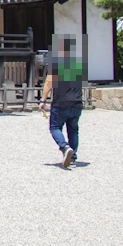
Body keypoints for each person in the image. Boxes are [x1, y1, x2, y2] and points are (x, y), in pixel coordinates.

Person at [39, 34, 86, 169]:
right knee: (73, 130)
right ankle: (73, 158)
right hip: (76, 103)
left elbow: (48, 83)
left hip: (61, 103)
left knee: (54, 127)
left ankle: (64, 148)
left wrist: (43, 100)